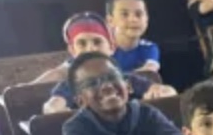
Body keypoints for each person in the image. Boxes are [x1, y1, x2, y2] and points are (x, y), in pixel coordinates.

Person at [61, 52, 194, 135]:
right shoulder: (76, 127)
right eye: (92, 83)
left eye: (112, 77)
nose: (106, 86)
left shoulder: (147, 114)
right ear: (80, 101)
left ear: (128, 86)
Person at [41, 13, 176, 114]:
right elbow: (52, 106)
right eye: (82, 44)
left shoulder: (128, 79)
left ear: (111, 47)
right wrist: (54, 109)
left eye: (97, 42)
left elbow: (167, 92)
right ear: (72, 51)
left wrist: (162, 92)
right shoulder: (69, 86)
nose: (90, 49)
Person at [105, 0, 161, 74]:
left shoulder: (149, 48)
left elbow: (149, 73)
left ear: (147, 19)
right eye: (125, 14)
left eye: (139, 14)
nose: (133, 19)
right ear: (110, 21)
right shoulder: (103, 51)